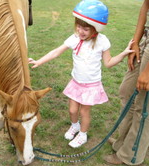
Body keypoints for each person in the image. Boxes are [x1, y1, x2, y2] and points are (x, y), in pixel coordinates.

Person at [29, 0, 134, 148]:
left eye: (85, 28)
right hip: (76, 82)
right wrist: (40, 61)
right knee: (72, 110)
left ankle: (83, 134)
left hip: (91, 85)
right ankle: (75, 126)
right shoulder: (74, 38)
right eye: (78, 26)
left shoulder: (102, 42)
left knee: (84, 112)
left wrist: (123, 54)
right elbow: (57, 51)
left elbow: (108, 63)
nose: (80, 31)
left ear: (96, 28)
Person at [104, 0, 149, 166]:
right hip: (145, 37)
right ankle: (122, 142)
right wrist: (136, 42)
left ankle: (131, 155)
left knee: (143, 106)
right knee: (126, 92)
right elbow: (146, 4)